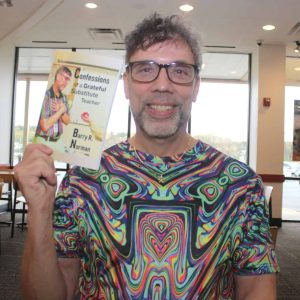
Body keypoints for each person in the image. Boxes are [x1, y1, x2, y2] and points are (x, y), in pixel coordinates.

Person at [15, 13, 279, 299]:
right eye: (145, 69)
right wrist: (40, 212)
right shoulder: (82, 181)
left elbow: (256, 288)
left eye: (179, 71)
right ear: (126, 84)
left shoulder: (239, 185)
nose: (162, 85)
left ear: (196, 86)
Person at [34, 65, 72, 144]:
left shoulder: (64, 98)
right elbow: (44, 126)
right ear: (58, 76)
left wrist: (63, 112)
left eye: (69, 80)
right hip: (44, 141)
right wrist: (61, 110)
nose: (67, 83)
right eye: (66, 78)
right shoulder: (46, 96)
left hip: (57, 141)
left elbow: (67, 121)